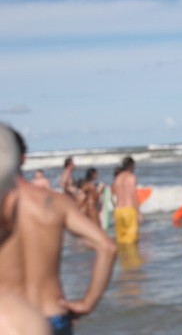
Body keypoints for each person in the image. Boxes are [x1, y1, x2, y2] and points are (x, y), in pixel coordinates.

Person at [0, 126, 117, 335]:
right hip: (54, 315)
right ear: (24, 158)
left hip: (10, 321)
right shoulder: (55, 202)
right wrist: (88, 302)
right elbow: (107, 247)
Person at [112, 156, 143, 244]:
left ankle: (123, 257)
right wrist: (138, 212)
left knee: (121, 241)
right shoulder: (131, 177)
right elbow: (133, 195)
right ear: (132, 166)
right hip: (128, 211)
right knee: (132, 241)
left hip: (118, 211)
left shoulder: (117, 178)